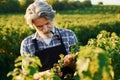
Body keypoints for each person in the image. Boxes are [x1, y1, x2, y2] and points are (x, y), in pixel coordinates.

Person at [20, 0, 78, 78]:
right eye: (39, 26)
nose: (45, 29)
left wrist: (71, 63)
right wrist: (45, 75)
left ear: (53, 18)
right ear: (33, 25)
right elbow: (28, 75)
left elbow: (80, 68)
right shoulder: (27, 44)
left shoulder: (68, 35)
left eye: (47, 23)